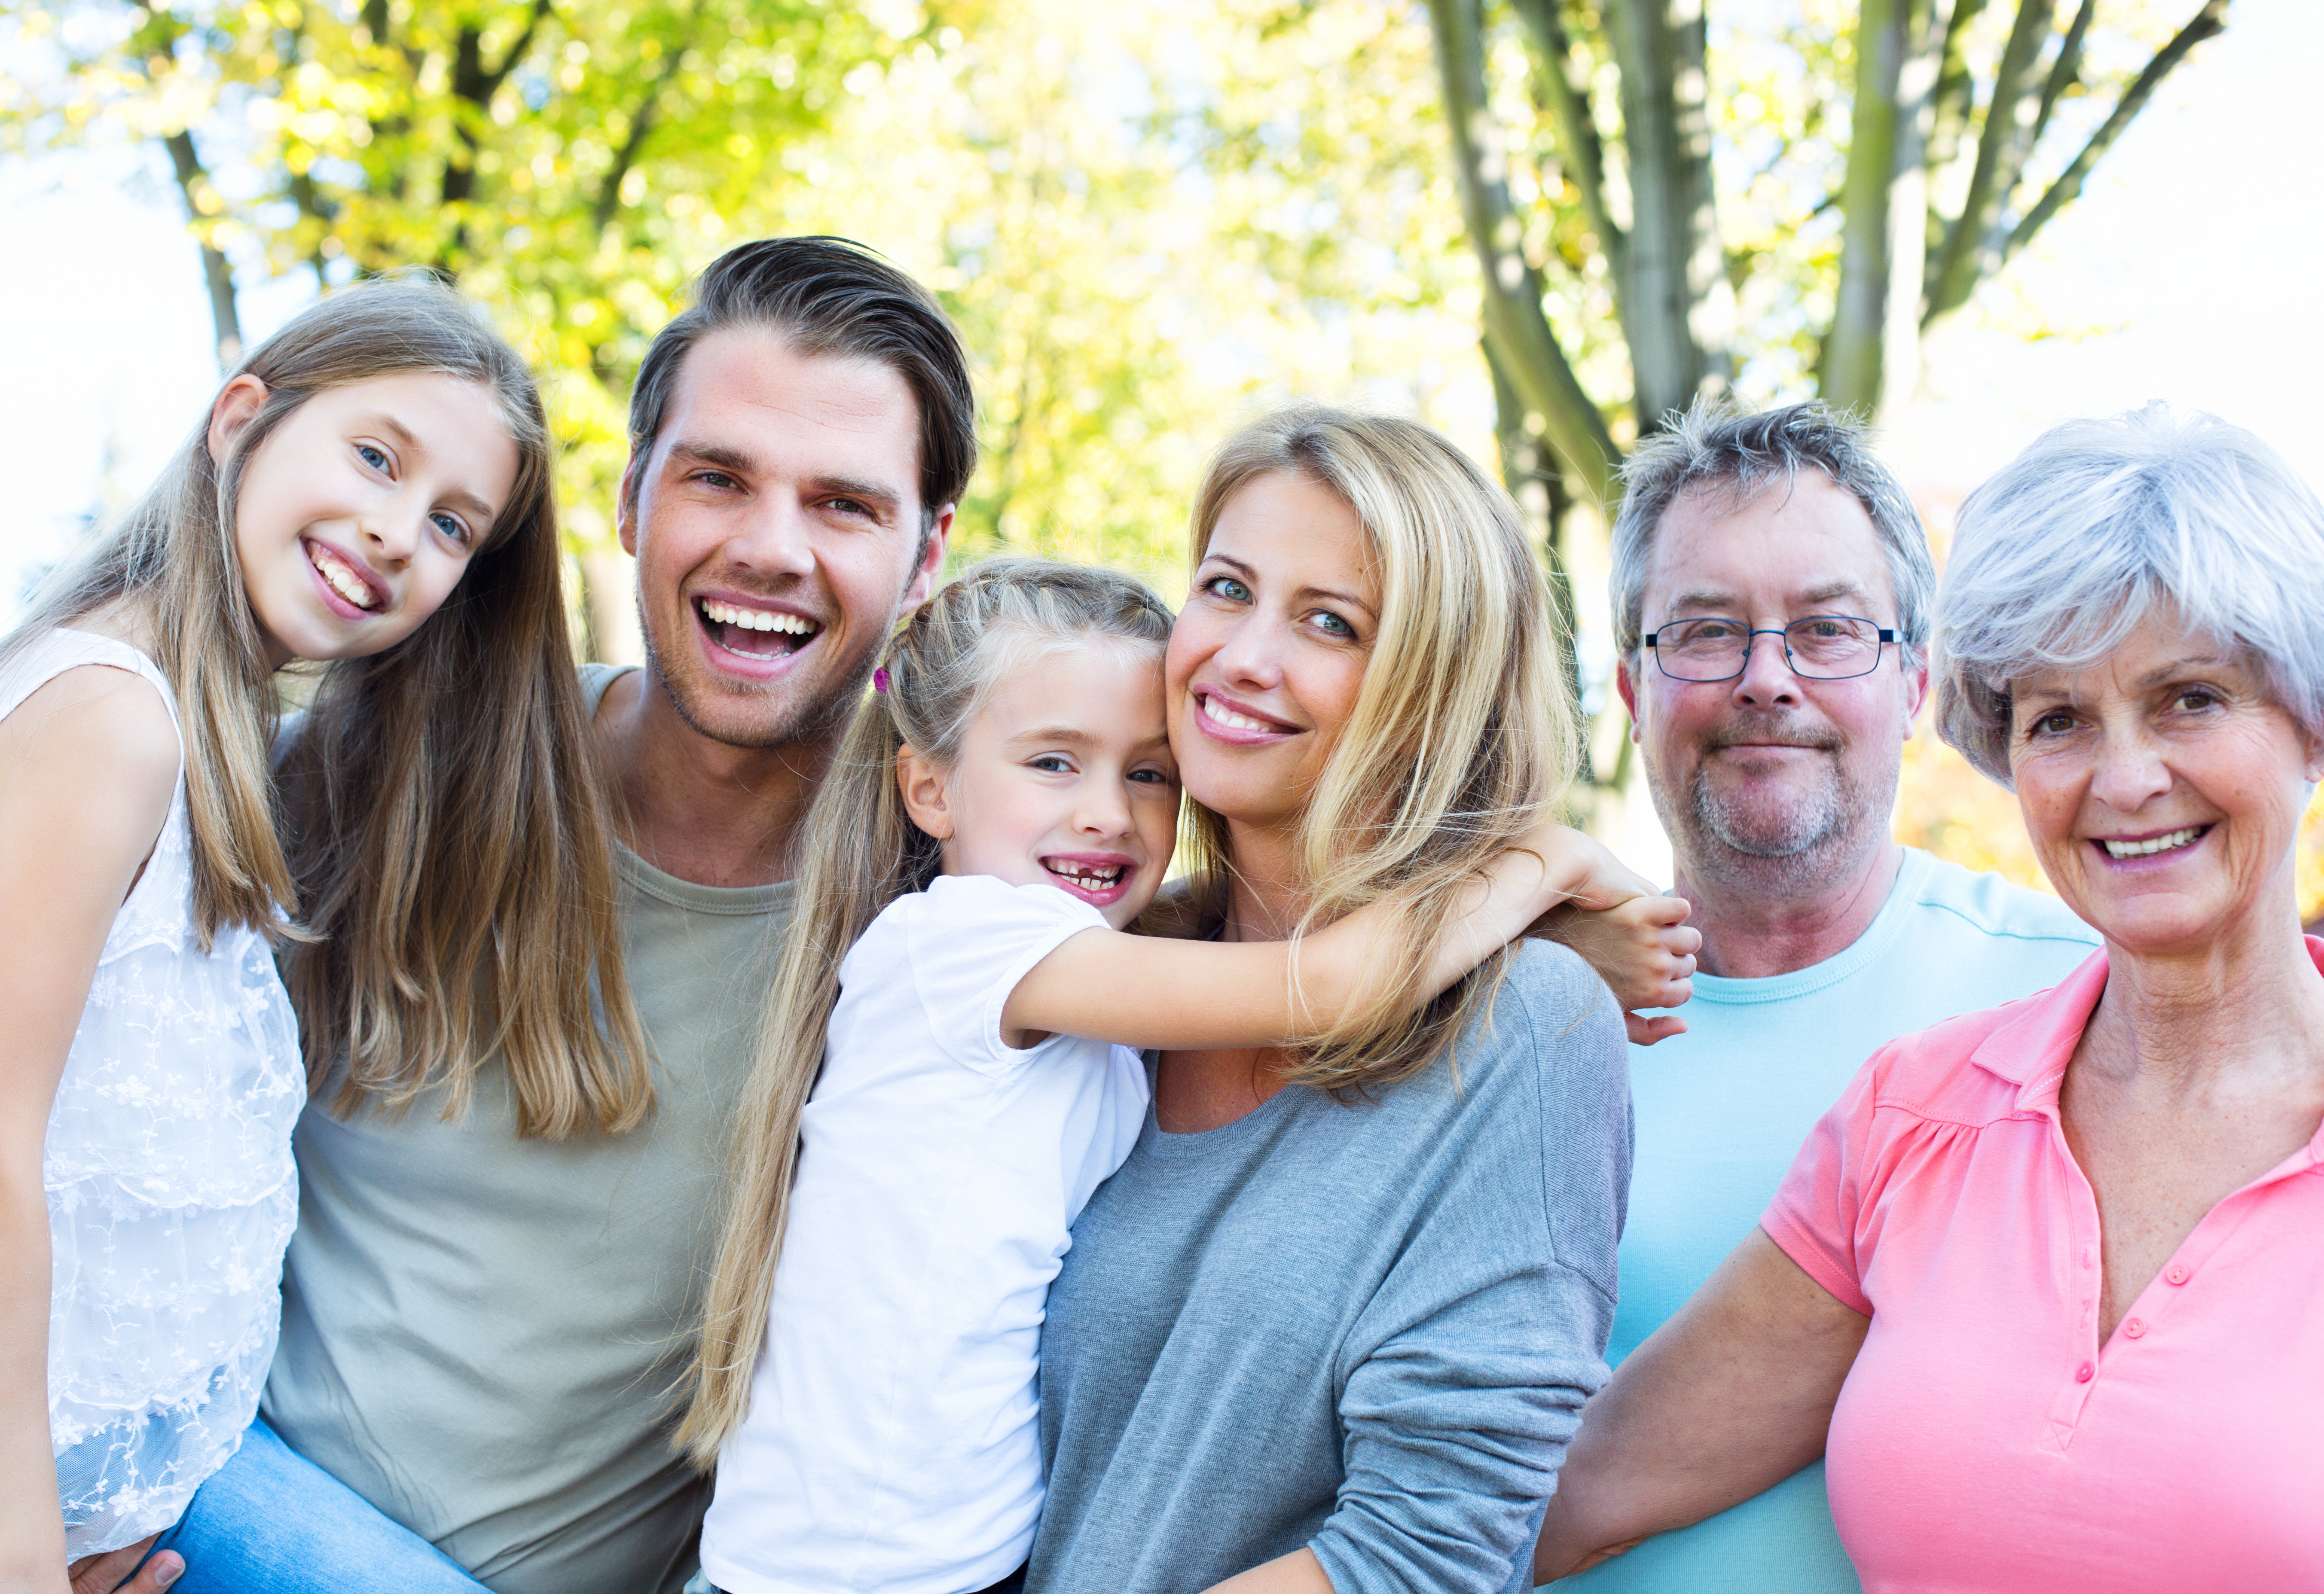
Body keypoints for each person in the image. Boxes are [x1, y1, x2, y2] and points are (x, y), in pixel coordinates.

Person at [681, 557, 1687, 1594]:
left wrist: (1531, 936)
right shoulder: (963, 948)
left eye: (1149, 773)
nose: (1109, 815)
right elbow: (1334, 985)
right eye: (1054, 765)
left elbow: (1234, 917)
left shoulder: (1080, 967)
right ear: (929, 789)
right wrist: (1546, 864)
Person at [0, 280, 619, 1593]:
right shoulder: (113, 724)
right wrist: (22, 1561)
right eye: (376, 456)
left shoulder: (192, 730)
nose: (395, 533)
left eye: (452, 526)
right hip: (83, 1523)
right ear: (241, 420)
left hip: (156, 1474)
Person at [251, 238, 971, 1594]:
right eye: (719, 478)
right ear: (634, 497)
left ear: (927, 555)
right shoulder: (384, 761)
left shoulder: (942, 927)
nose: (770, 548)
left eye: (843, 506)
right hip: (207, 1519)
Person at [1536, 406, 2324, 1589]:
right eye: (2060, 719)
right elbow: (1572, 1498)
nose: (2125, 778)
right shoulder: (1914, 1117)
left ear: (2308, 720)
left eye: (2190, 700)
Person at [1027, 405, 1684, 1594]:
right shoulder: (1101, 981)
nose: (1242, 657)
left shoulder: (1522, 1027)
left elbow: (1426, 1552)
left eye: (1330, 623)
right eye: (1226, 588)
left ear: (1437, 692)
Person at [1549, 401, 2098, 1592]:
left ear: (1916, 683)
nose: (1765, 681)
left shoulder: (2081, 998)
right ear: (1634, 691)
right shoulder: (1530, 1024)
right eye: (1703, 634)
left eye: (1828, 631)